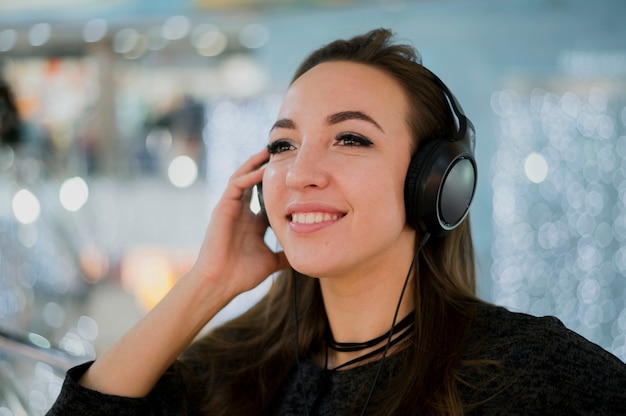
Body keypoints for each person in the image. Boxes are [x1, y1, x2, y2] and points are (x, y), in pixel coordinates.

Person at [47, 28, 625, 416]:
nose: (300, 172)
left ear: (434, 184)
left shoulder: (527, 371)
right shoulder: (234, 368)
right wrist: (209, 283)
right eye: (281, 145)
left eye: (350, 138)